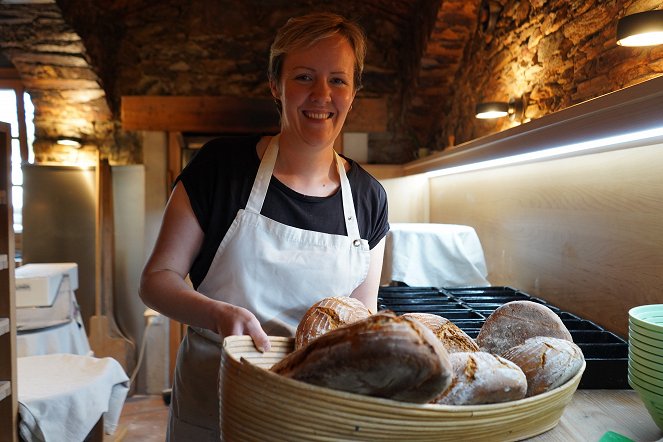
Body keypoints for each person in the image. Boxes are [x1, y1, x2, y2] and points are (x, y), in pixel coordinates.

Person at [139, 11, 389, 440]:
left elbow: (360, 317)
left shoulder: (369, 199)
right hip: (215, 395)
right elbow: (156, 280)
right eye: (304, 77)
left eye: (338, 80)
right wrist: (217, 314)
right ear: (276, 85)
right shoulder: (221, 168)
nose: (321, 95)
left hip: (315, 409)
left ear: (354, 92)